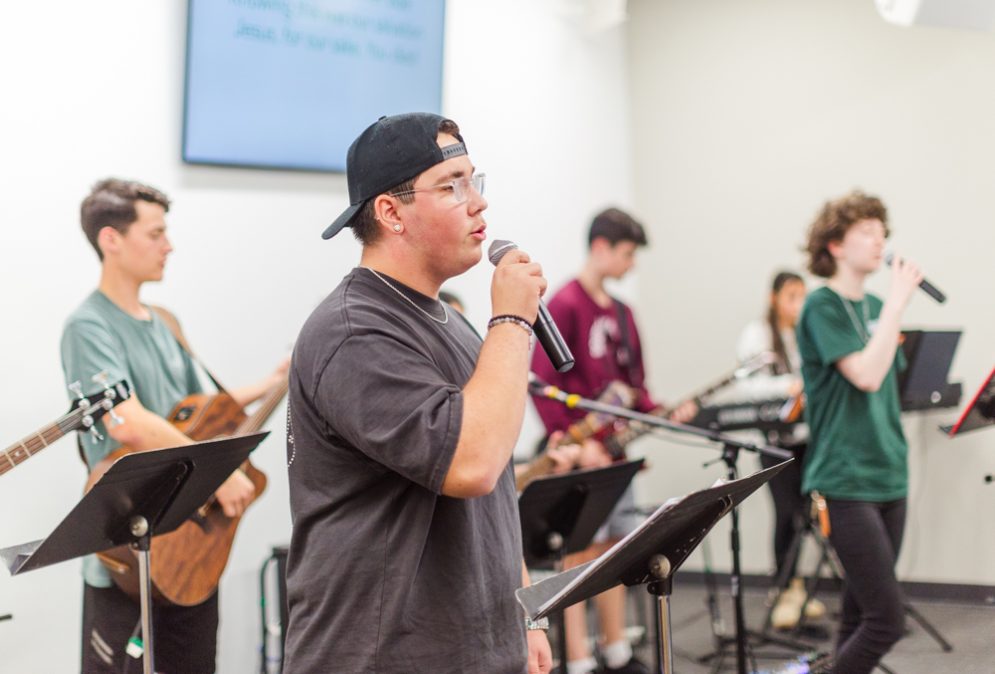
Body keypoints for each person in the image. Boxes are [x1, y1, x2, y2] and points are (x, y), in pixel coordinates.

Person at [283, 113, 553, 674]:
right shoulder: (355, 330)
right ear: (390, 213)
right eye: (451, 186)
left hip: (475, 648)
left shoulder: (447, 321)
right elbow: (471, 462)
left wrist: (525, 614)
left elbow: (496, 476)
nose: (477, 203)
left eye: (474, 181)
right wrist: (513, 320)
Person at [62, 178, 288, 673]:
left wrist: (272, 382)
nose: (169, 245)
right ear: (111, 240)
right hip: (125, 549)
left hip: (189, 551)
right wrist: (217, 473)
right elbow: (129, 422)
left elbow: (206, 409)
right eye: (156, 233)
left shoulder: (164, 321)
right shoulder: (89, 326)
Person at [530, 208, 695, 674]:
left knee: (617, 549)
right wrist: (578, 446)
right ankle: (579, 658)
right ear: (600, 248)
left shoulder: (624, 313)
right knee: (580, 554)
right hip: (580, 456)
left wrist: (662, 409)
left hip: (617, 454)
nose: (631, 264)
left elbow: (634, 388)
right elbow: (541, 384)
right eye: (626, 253)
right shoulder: (563, 305)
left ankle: (616, 648)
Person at [797, 190, 922, 674]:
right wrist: (896, 307)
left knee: (858, 613)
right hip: (845, 479)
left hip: (890, 470)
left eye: (882, 232)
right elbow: (866, 374)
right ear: (834, 245)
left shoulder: (874, 304)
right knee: (887, 621)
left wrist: (889, 314)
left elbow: (894, 381)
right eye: (866, 232)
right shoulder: (821, 306)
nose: (880, 242)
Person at [733, 271, 825, 629]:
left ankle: (796, 587)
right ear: (774, 297)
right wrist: (790, 385)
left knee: (804, 515)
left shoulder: (803, 334)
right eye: (791, 295)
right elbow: (746, 388)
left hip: (804, 438)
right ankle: (782, 588)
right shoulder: (758, 334)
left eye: (803, 295)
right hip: (773, 442)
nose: (798, 304)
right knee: (787, 514)